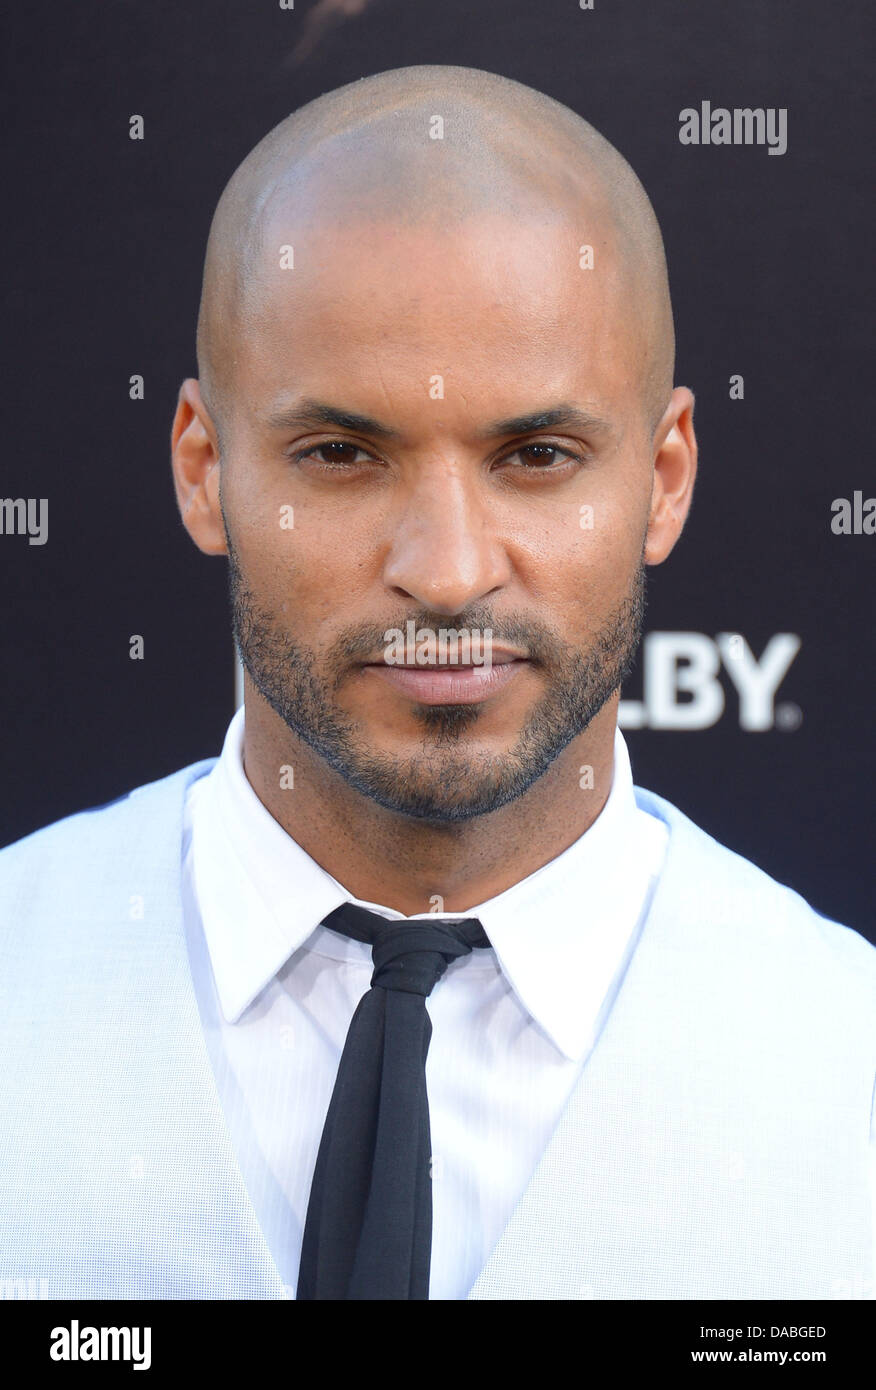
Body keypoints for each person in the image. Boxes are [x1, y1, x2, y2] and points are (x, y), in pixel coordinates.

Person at [0, 64, 872, 1302]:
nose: (449, 571)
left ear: (666, 478)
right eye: (343, 455)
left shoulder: (850, 1073)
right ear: (203, 470)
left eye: (539, 455)